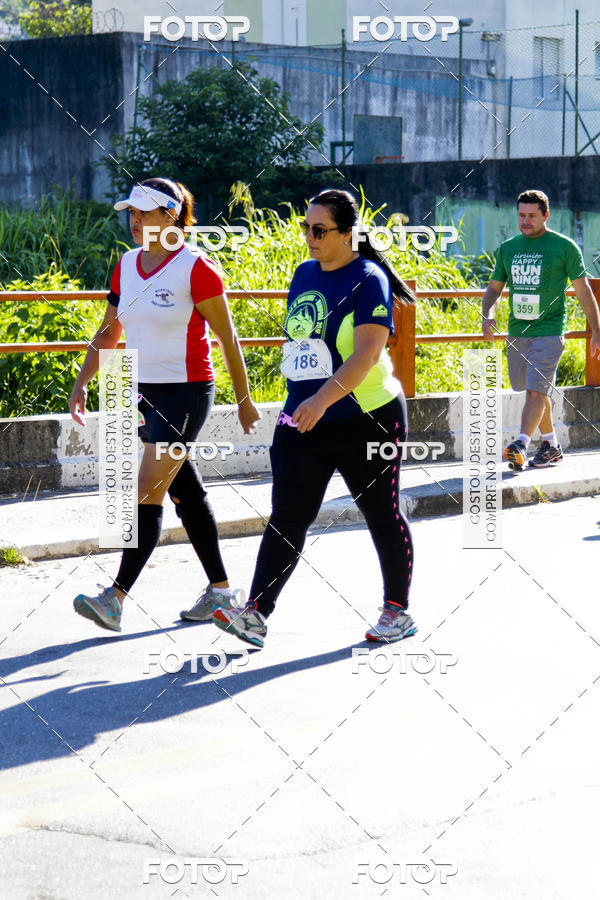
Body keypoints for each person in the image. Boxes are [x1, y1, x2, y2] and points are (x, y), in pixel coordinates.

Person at [213, 188, 418, 648]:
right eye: (305, 228)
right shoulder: (304, 274)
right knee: (288, 515)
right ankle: (255, 614)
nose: (309, 236)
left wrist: (321, 400)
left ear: (348, 234)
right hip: (304, 419)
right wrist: (296, 407)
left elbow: (366, 355)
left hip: (369, 418)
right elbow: (304, 348)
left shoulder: (369, 278)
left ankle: (397, 611)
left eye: (319, 230)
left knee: (380, 512)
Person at [69, 177, 260, 632]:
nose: (133, 221)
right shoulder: (127, 265)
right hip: (144, 396)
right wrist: (81, 383)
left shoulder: (197, 268)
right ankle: (220, 591)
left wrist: (245, 399)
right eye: (130, 213)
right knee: (185, 493)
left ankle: (114, 598)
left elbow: (227, 337)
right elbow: (109, 332)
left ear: (170, 215)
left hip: (187, 393)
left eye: (143, 212)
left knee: (146, 490)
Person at [482, 189, 600, 470]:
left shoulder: (564, 247)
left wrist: (596, 330)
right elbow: (494, 289)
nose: (525, 221)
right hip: (517, 333)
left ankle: (520, 443)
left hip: (549, 331)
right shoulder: (508, 248)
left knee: (536, 391)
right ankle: (552, 446)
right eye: (521, 215)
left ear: (545, 215)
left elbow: (584, 292)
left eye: (532, 216)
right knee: (535, 390)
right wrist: (487, 314)